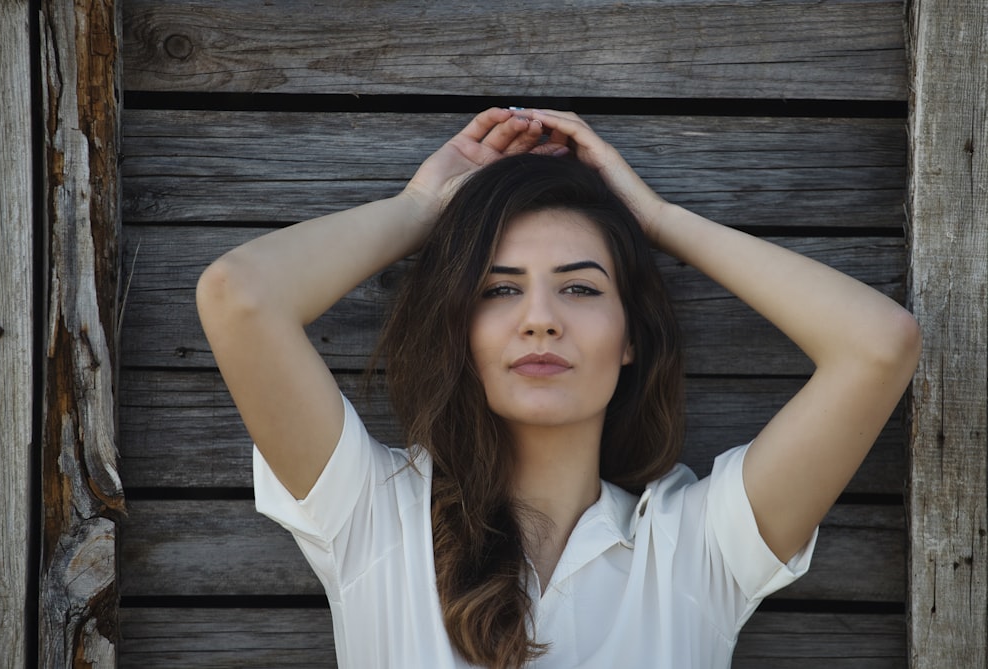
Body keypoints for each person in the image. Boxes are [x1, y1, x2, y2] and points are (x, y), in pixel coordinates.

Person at [196, 108, 921, 668]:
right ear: (460, 331)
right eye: (499, 290)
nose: (540, 320)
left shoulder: (696, 549)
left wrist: (658, 221)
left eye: (579, 286)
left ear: (630, 334)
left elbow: (877, 344)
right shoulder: (375, 516)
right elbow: (239, 296)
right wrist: (422, 208)